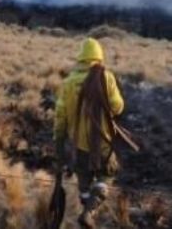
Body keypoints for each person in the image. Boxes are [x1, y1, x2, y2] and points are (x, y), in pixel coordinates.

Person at [54, 37, 125, 228]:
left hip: (79, 146)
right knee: (107, 175)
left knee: (84, 181)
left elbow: (60, 117)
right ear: (98, 58)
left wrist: (58, 143)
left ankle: (86, 209)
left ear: (81, 58)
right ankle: (90, 212)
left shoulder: (68, 83)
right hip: (103, 144)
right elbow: (118, 107)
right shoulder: (106, 76)